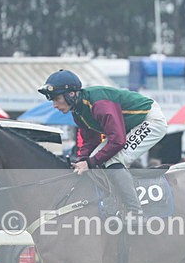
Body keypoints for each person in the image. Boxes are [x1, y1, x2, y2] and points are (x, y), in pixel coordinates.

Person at [38, 69, 167, 217]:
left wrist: (90, 163)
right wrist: (81, 160)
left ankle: (135, 212)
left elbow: (117, 141)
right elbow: (90, 140)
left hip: (151, 120)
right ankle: (114, 199)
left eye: (56, 99)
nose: (54, 105)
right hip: (129, 126)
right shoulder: (78, 111)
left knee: (112, 158)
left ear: (71, 94)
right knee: (97, 158)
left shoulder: (99, 105)